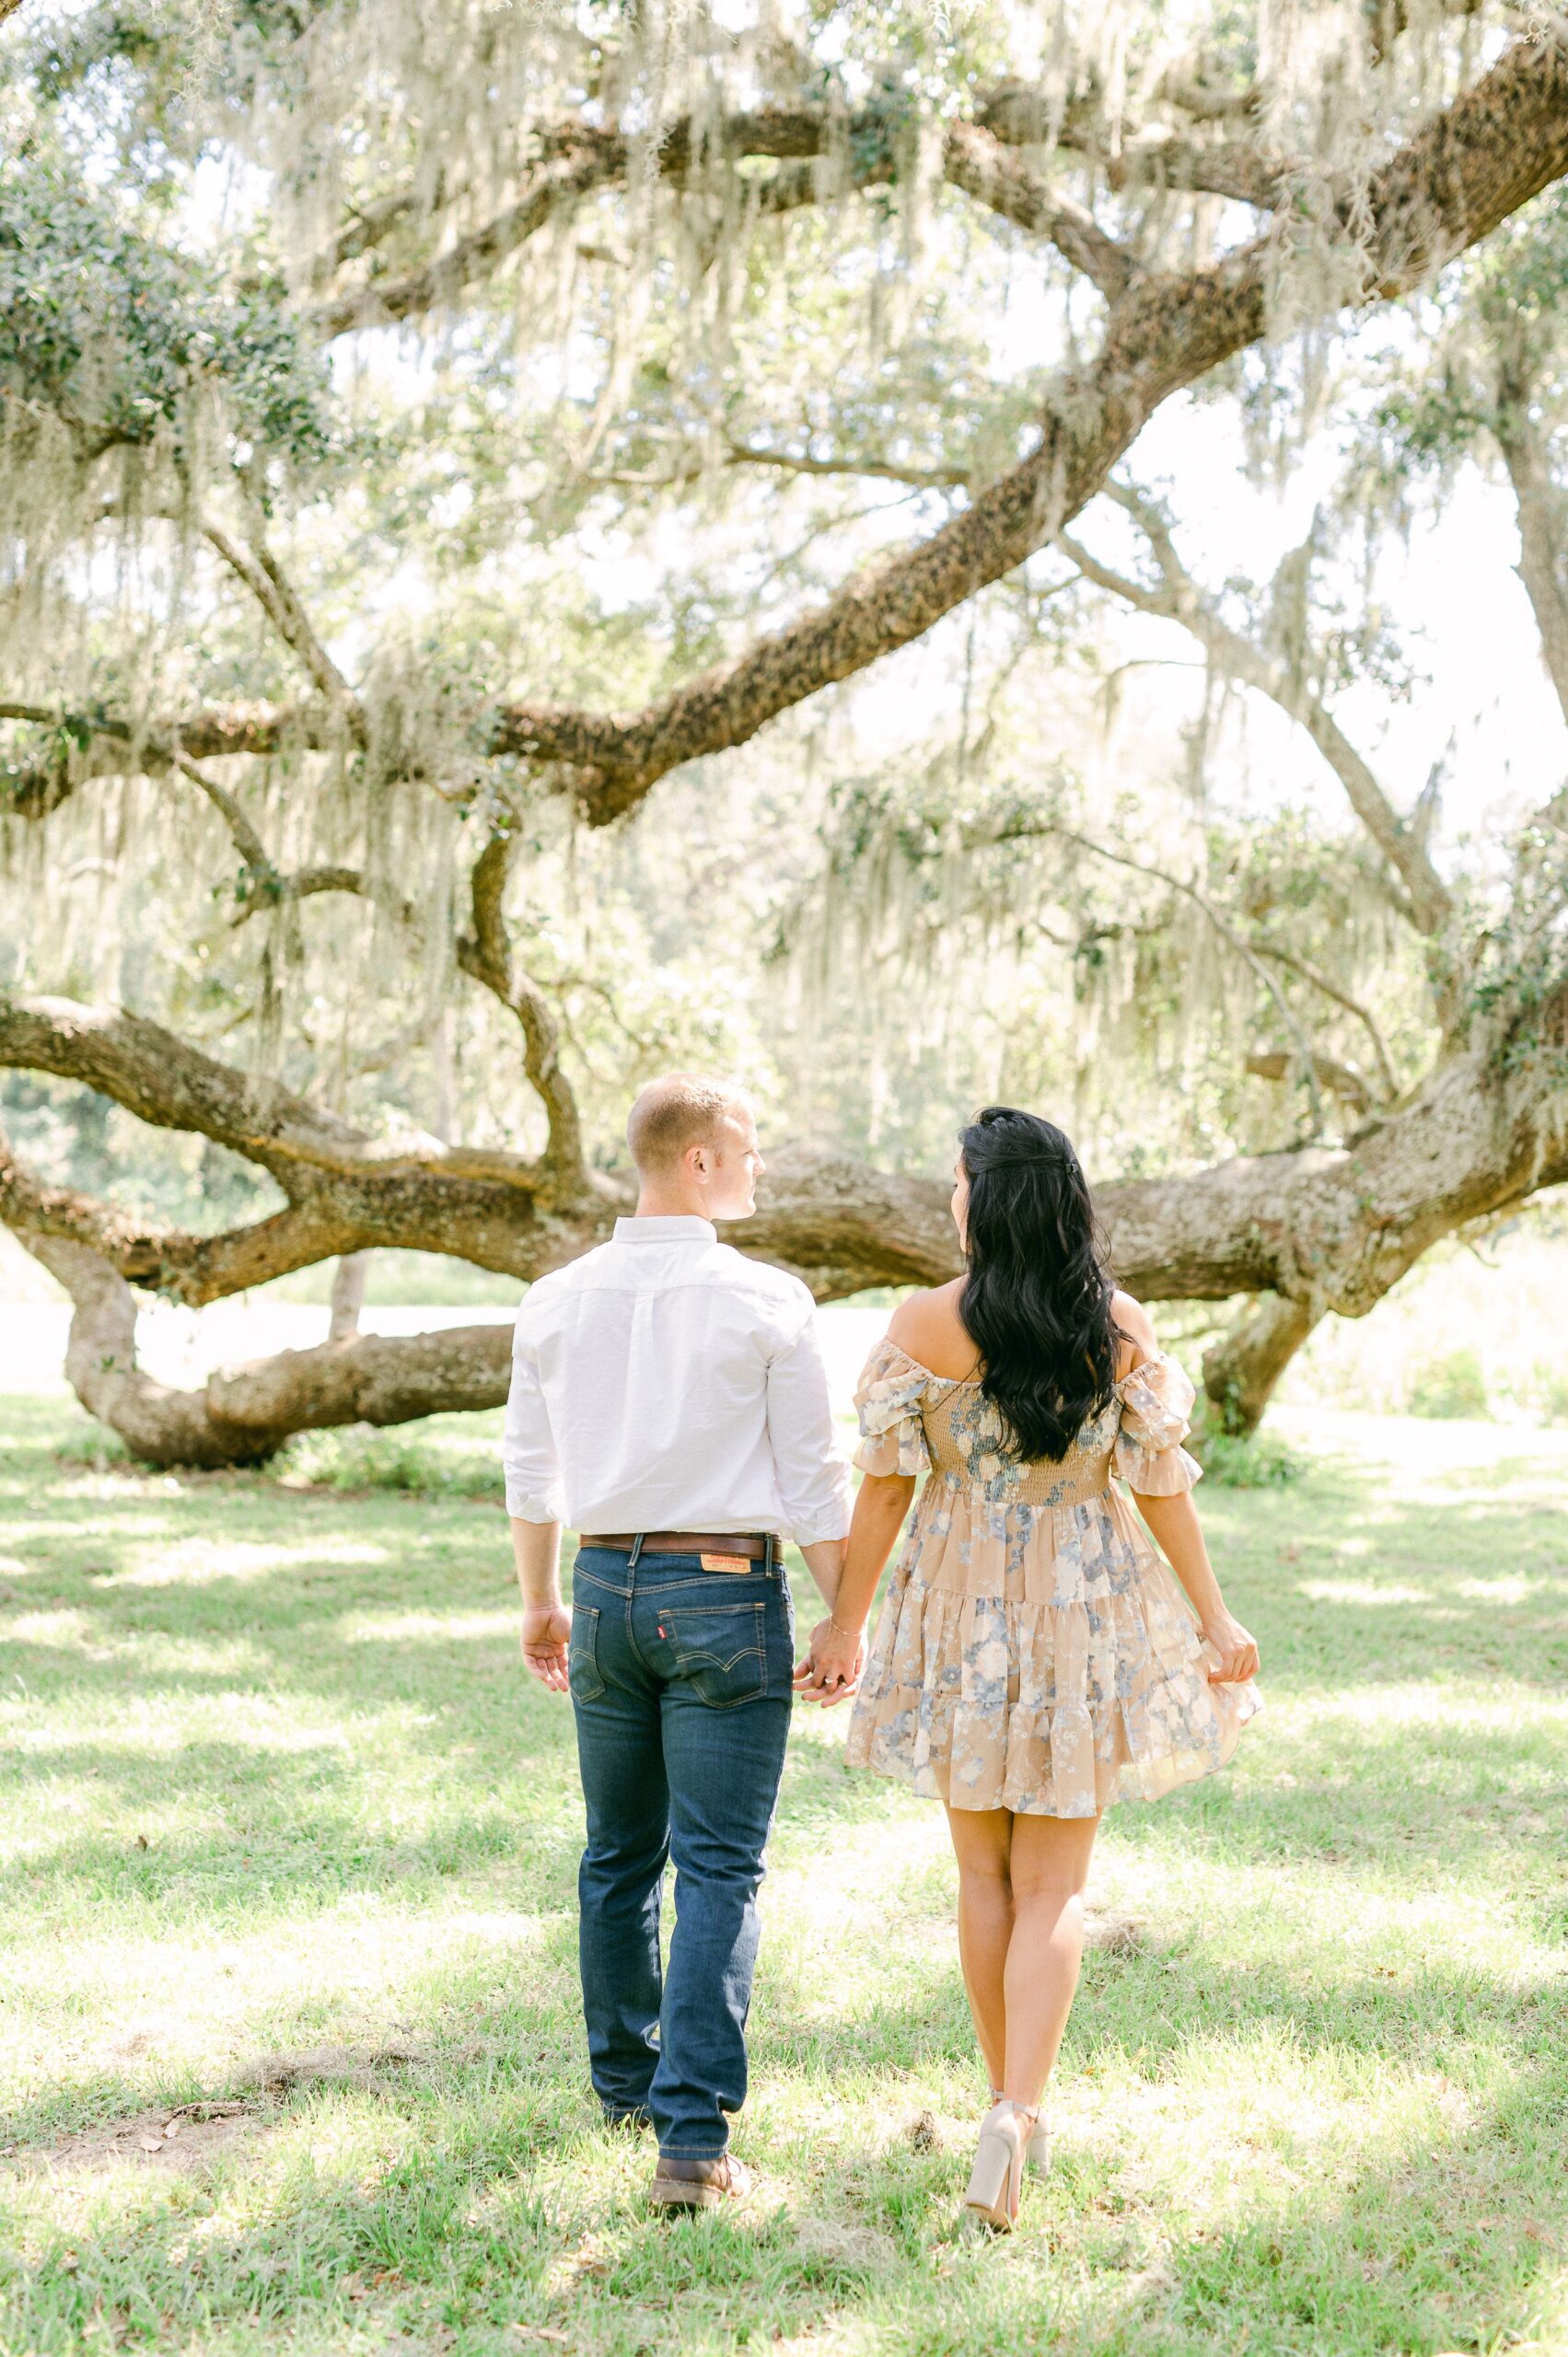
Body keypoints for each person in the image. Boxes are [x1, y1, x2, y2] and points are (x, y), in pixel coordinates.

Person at [798, 1105, 1261, 2232]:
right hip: (1081, 1609)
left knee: (983, 1880)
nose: (948, 1196)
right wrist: (1212, 1617)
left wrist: (845, 1623)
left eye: (955, 1179)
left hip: (960, 1609)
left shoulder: (922, 1323)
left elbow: (882, 1487)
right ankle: (1017, 2110)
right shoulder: (1117, 1324)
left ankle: (1004, 2106)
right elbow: (1159, 1486)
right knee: (1055, 1885)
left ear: (982, 1196)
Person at [504, 1074, 853, 2211]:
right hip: (722, 1592)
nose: (759, 1167)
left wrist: (540, 1598)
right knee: (713, 1865)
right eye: (746, 1147)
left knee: (617, 1854)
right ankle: (690, 2141)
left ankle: (626, 2088)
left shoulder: (554, 1296)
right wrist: (846, 1614)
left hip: (602, 1588)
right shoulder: (767, 1298)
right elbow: (811, 1481)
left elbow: (529, 1466)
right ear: (695, 1159)